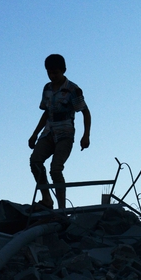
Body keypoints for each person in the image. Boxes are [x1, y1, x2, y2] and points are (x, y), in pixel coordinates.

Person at [29, 54, 91, 210]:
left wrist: (86, 135)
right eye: (49, 72)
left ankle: (61, 208)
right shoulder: (47, 88)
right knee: (35, 161)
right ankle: (47, 200)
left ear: (63, 70)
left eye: (55, 72)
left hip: (65, 133)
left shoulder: (72, 90)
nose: (52, 76)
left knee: (56, 168)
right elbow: (46, 112)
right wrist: (34, 134)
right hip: (49, 132)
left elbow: (85, 112)